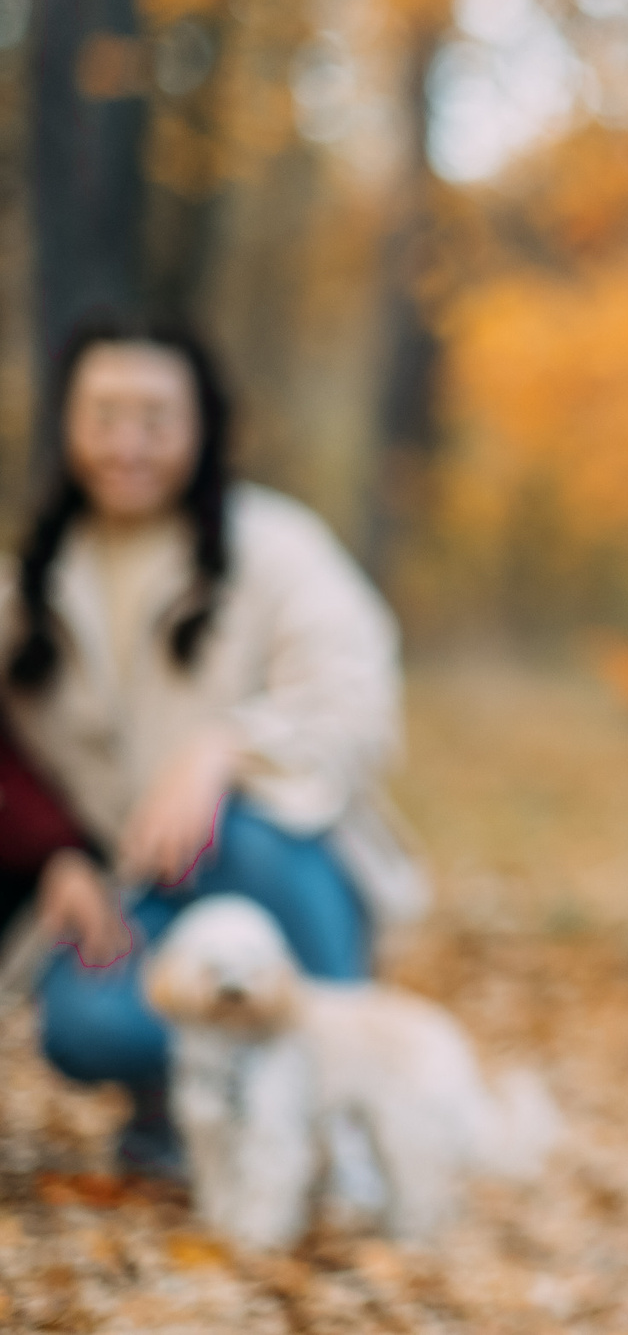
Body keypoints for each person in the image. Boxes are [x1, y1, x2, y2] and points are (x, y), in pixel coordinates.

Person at [0, 316, 424, 1179]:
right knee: (83, 1024)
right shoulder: (34, 581)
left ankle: (342, 1109)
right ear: (69, 423)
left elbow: (357, 690)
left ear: (202, 426)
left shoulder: (276, 545)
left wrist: (225, 748)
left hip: (278, 870)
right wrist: (56, 855)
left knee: (239, 833)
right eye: (105, 415)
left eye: (157, 418)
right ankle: (193, 1103)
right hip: (135, 886)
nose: (129, 444)